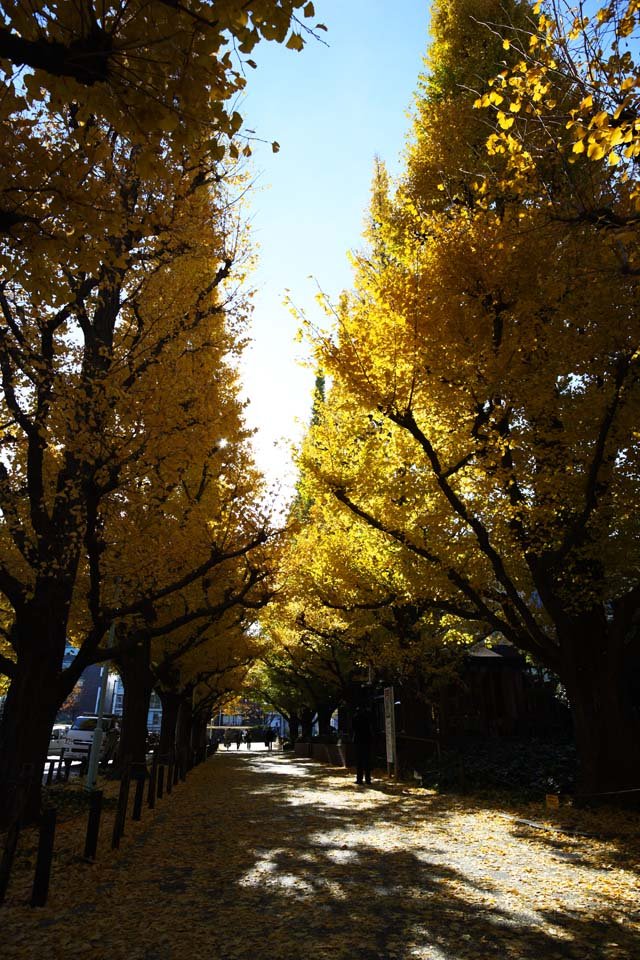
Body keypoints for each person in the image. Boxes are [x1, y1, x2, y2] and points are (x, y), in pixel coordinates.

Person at [352, 706, 373, 786]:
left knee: (359, 761)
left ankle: (359, 779)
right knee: (367, 760)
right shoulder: (368, 717)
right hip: (367, 740)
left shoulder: (355, 717)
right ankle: (368, 779)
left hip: (358, 740)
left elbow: (353, 728)